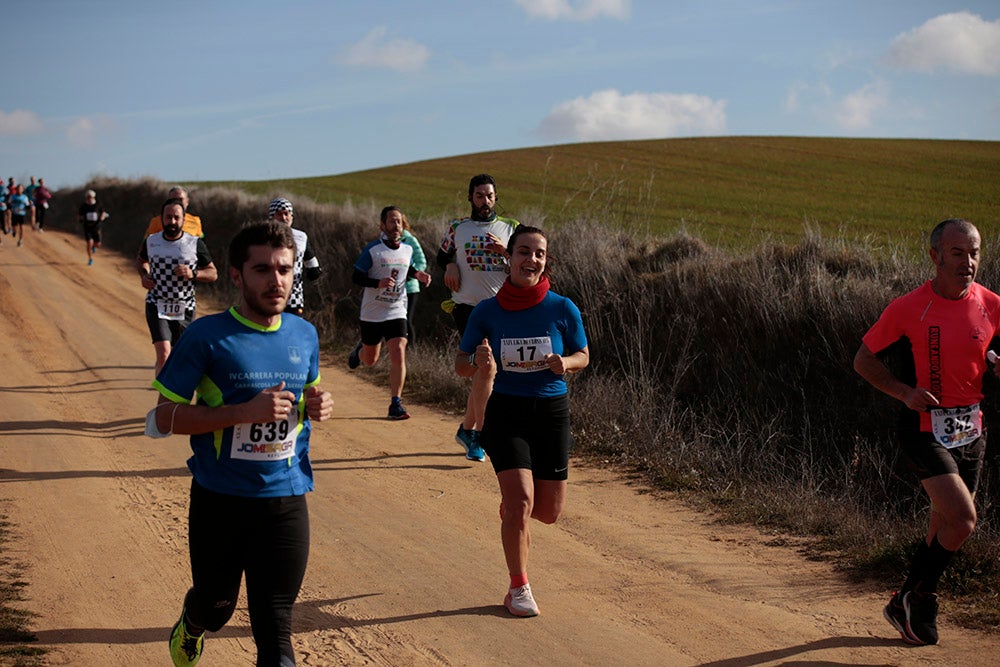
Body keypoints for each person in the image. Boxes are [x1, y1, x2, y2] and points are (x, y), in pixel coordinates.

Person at [148, 220, 334, 667]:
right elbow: (163, 417)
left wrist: (317, 405)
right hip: (220, 500)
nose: (277, 281)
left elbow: (304, 398)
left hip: (285, 498)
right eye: (263, 270)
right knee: (217, 607)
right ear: (236, 275)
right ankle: (192, 622)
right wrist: (240, 413)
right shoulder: (206, 337)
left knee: (276, 630)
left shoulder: (303, 333)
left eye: (285, 270)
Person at [854, 218, 1000, 646]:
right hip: (923, 428)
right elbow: (863, 360)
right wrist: (903, 392)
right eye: (958, 253)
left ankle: (905, 604)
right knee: (964, 519)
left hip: (972, 429)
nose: (968, 262)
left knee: (942, 523)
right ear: (935, 256)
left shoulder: (991, 303)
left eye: (974, 252)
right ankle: (920, 595)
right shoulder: (908, 307)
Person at [455, 225, 589, 617]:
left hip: (550, 413)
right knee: (521, 501)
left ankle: (513, 510)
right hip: (505, 411)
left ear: (545, 262)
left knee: (547, 512)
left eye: (539, 254)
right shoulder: (486, 312)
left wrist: (565, 362)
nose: (531, 259)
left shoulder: (562, 308)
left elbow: (584, 354)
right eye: (523, 252)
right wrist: (477, 364)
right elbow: (462, 364)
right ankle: (518, 587)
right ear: (509, 258)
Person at [437, 174, 519, 461]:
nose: (485, 201)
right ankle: (480, 435)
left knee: (487, 370)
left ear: (496, 198)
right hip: (467, 306)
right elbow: (442, 255)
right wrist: (450, 265)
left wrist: (506, 253)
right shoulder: (458, 227)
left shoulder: (511, 228)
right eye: (480, 196)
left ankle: (468, 429)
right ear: (470, 197)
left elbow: (524, 265)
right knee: (487, 366)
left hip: (502, 307)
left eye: (490, 196)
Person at [348, 205, 431, 420]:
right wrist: (378, 282)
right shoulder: (373, 250)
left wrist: (419, 275)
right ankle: (359, 351)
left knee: (398, 351)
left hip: (396, 309)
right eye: (392, 221)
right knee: (370, 359)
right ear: (382, 225)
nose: (397, 225)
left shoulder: (407, 249)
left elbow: (408, 269)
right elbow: (356, 277)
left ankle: (396, 403)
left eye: (399, 221)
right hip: (372, 312)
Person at [137, 198, 218, 374]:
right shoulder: (151, 241)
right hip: (156, 302)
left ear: (183, 219)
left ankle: (172, 396)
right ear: (162, 218)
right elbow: (142, 261)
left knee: (179, 355)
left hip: (184, 305)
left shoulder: (194, 243)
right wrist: (144, 275)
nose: (172, 222)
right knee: (164, 354)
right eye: (168, 217)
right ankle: (163, 401)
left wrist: (193, 273)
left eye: (176, 217)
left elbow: (213, 273)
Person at [266, 198, 322, 315]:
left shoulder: (301, 237)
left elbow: (309, 258)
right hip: (269, 294)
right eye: (279, 214)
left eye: (286, 214)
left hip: (294, 296)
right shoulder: (263, 236)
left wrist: (314, 270)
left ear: (292, 216)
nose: (284, 218)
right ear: (272, 217)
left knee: (293, 329)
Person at [399, 212, 427, 343]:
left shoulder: (410, 240)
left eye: (399, 222)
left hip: (410, 288)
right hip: (392, 289)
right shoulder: (384, 241)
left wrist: (412, 274)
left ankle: (410, 350)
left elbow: (421, 262)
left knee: (406, 319)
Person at [78, 189, 108, 264]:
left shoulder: (98, 204)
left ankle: (94, 247)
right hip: (87, 227)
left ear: (93, 197)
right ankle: (90, 259)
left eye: (91, 197)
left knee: (98, 244)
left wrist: (102, 217)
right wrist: (80, 219)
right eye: (88, 197)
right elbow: (79, 215)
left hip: (96, 227)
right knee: (89, 243)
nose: (89, 198)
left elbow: (103, 213)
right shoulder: (84, 206)